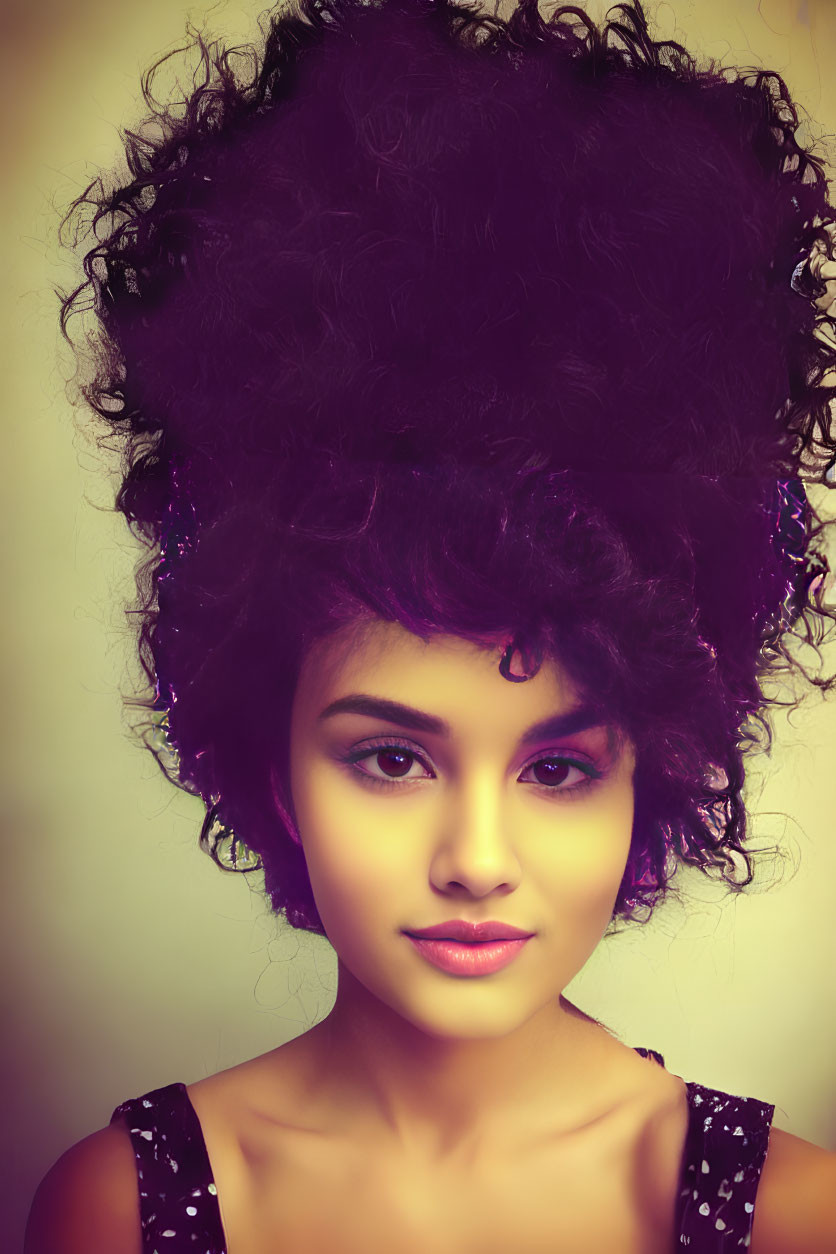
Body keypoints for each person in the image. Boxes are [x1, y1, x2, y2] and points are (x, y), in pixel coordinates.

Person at [24, 0, 836, 1250]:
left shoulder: (788, 1215)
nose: (474, 858)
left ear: (653, 778)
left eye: (557, 767)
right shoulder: (119, 1210)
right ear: (273, 770)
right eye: (390, 757)